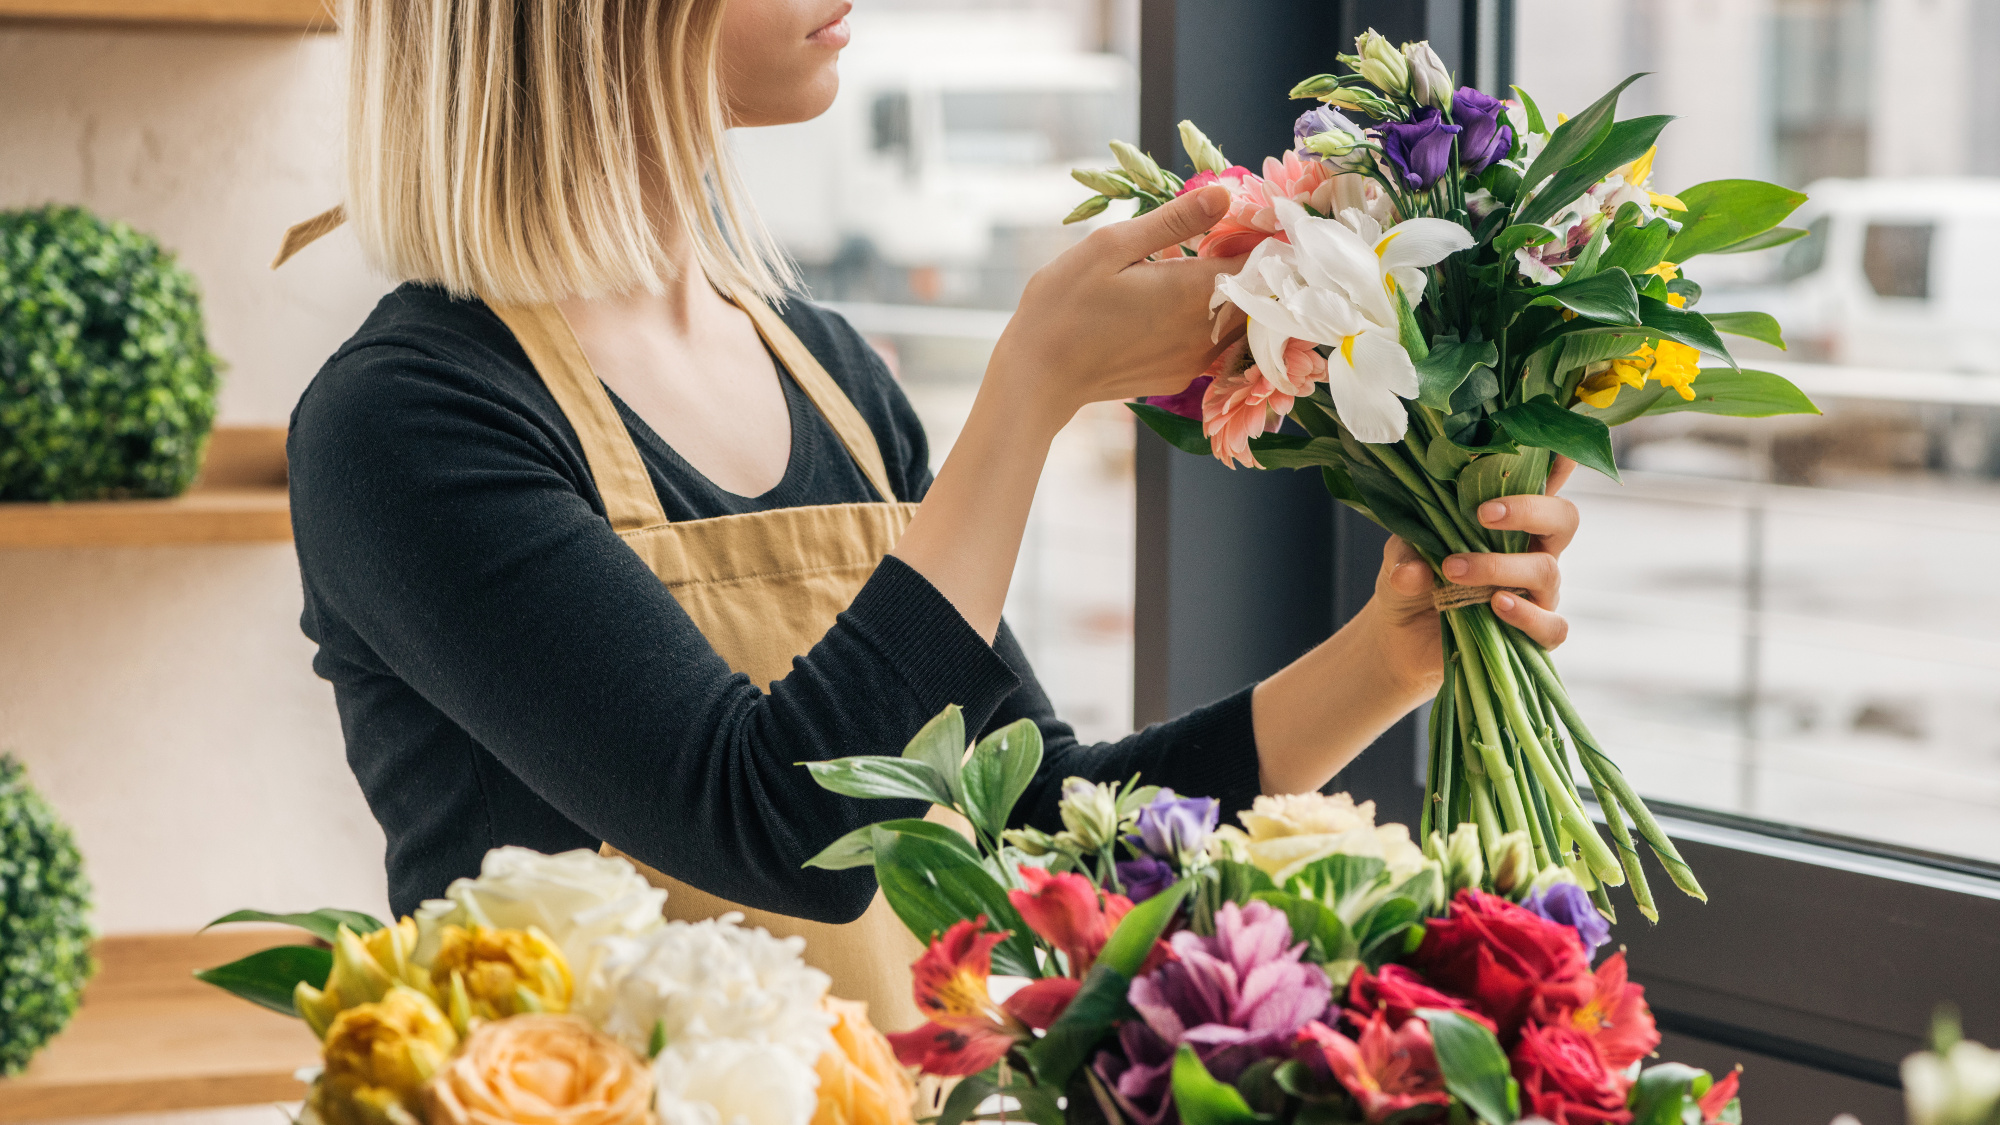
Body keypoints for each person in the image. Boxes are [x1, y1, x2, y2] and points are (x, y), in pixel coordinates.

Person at [284, 0, 1580, 1029]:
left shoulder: (831, 378)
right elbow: (787, 835)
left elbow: (1035, 832)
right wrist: (1032, 392)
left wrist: (1392, 649)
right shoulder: (408, 424)